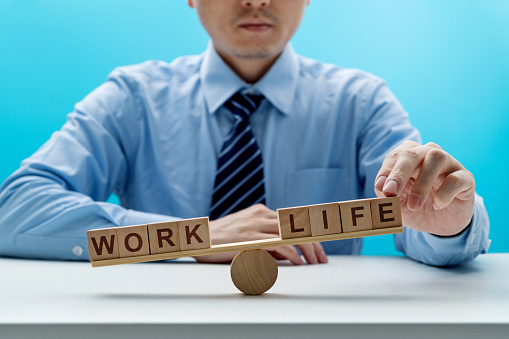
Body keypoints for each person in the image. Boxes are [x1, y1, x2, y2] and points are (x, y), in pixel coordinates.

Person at [0, 0, 490, 266]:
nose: (256, 0)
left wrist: (448, 225)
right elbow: (15, 210)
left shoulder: (361, 101)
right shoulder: (132, 97)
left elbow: (420, 220)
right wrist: (189, 238)